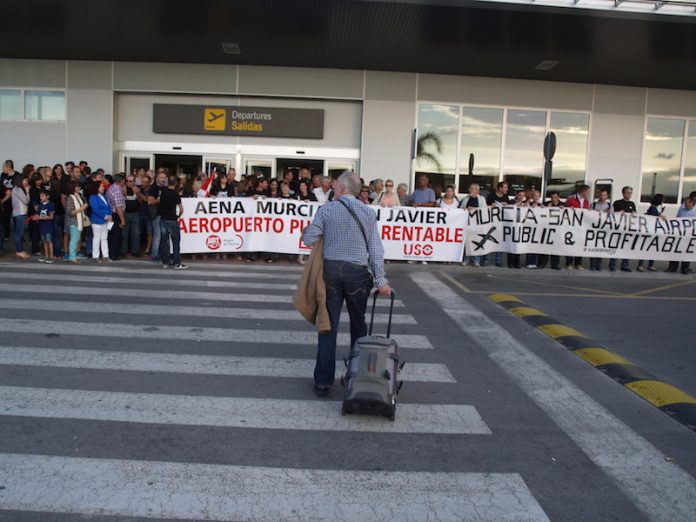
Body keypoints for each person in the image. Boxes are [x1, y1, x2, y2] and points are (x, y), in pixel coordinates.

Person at [301, 170, 391, 397]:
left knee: (327, 326)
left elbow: (309, 239)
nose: (332, 189)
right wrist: (381, 281)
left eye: (334, 186)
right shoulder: (368, 213)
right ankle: (357, 376)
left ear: (341, 188)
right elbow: (375, 252)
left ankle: (323, 382)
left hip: (331, 273)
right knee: (358, 326)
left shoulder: (327, 210)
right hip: (358, 275)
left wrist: (306, 231)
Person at [158, 176, 188, 270]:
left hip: (163, 219)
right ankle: (177, 263)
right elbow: (181, 209)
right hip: (172, 219)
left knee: (164, 241)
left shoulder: (163, 192)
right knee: (175, 242)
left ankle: (165, 262)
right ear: (175, 184)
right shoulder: (175, 194)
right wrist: (178, 216)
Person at [609, 186, 637, 272]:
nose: (629, 194)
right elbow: (611, 214)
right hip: (618, 229)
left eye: (630, 193)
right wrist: (618, 213)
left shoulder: (632, 204)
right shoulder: (617, 203)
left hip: (628, 229)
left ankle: (625, 265)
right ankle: (612, 265)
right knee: (615, 246)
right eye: (627, 192)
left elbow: (635, 214)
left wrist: (634, 213)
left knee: (626, 247)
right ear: (623, 193)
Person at [460, 183, 488, 267]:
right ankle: (466, 259)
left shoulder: (482, 199)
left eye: (475, 189)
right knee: (467, 242)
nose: (473, 190)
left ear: (478, 191)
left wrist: (474, 209)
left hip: (477, 223)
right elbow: (461, 208)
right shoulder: (466, 198)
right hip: (467, 223)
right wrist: (465, 209)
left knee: (476, 242)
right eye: (471, 188)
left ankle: (476, 260)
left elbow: (484, 209)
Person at [667, 196, 696, 275]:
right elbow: (677, 219)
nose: (685, 204)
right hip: (680, 233)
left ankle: (685, 268)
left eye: (687, 203)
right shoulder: (682, 209)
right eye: (685, 203)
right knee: (676, 250)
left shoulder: (695, 211)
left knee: (687, 252)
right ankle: (673, 267)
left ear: (692, 204)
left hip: (690, 234)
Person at [565, 184, 590, 270]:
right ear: (583, 191)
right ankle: (569, 263)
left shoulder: (586, 201)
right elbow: (564, 209)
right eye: (587, 191)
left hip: (581, 226)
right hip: (571, 225)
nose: (588, 193)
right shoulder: (571, 199)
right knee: (570, 244)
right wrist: (569, 208)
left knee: (579, 244)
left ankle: (578, 263)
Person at [637, 194, 664, 273]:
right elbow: (653, 217)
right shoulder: (653, 208)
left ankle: (647, 265)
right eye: (662, 200)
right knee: (647, 248)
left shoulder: (653, 208)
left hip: (652, 232)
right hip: (650, 232)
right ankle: (642, 265)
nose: (663, 202)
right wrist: (660, 215)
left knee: (651, 249)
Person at [64, 180, 88, 264]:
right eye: (77, 186)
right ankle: (72, 256)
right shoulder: (70, 198)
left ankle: (73, 256)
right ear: (73, 188)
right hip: (74, 222)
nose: (79, 188)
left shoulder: (77, 196)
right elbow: (70, 212)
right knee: (74, 239)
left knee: (76, 239)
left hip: (78, 221)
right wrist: (82, 208)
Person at [88, 181, 113, 263]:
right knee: (96, 238)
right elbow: (95, 209)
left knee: (104, 238)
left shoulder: (104, 196)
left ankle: (105, 256)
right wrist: (106, 216)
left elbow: (109, 207)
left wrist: (110, 215)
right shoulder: (93, 197)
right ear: (97, 188)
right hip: (97, 220)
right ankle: (95, 256)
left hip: (105, 220)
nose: (103, 188)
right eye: (101, 186)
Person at [147, 169, 168, 263]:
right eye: (161, 178)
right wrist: (161, 200)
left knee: (164, 236)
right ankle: (154, 255)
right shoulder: (153, 188)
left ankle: (162, 254)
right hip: (157, 215)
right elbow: (150, 201)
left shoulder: (166, 188)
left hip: (164, 214)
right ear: (157, 179)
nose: (163, 179)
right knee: (157, 236)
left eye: (164, 177)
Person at [589, 189, 612, 271]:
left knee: (600, 247)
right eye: (601, 195)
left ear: (607, 196)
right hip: (594, 229)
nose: (602, 197)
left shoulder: (610, 205)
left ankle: (599, 265)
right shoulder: (593, 205)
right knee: (592, 247)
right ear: (599, 195)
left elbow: (613, 217)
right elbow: (589, 215)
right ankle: (592, 265)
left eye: (604, 195)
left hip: (604, 230)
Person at [106, 174, 126, 260]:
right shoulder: (117, 190)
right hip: (116, 215)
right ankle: (113, 254)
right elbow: (118, 207)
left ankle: (112, 253)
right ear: (121, 181)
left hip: (111, 214)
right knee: (116, 236)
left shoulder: (111, 188)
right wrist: (122, 220)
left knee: (112, 235)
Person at [11, 174, 30, 260]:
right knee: (19, 233)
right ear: (20, 181)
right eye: (25, 180)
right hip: (20, 214)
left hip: (19, 213)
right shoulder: (18, 189)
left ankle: (21, 250)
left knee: (19, 233)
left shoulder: (16, 189)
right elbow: (26, 201)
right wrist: (27, 191)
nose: (26, 182)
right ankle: (19, 251)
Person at [544, 191, 565, 270]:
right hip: (547, 228)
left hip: (558, 229)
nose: (553, 199)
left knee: (556, 247)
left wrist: (565, 209)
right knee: (545, 247)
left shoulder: (563, 205)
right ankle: (543, 263)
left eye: (555, 197)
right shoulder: (546, 203)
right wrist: (546, 208)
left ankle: (555, 264)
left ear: (558, 197)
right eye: (552, 197)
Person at [1, 160, 18, 248]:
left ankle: (18, 236)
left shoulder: (17, 175)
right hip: (5, 200)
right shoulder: (3, 175)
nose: (2, 169)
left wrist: (10, 192)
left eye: (4, 167)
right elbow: (2, 186)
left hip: (15, 200)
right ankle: (6, 235)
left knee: (16, 219)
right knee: (5, 218)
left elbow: (17, 188)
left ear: (9, 167)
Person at [36, 190, 55, 263]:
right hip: (42, 225)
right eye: (40, 196)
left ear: (47, 196)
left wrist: (40, 218)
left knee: (49, 241)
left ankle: (51, 256)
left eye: (42, 196)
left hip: (48, 226)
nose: (41, 197)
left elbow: (51, 216)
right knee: (44, 241)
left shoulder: (51, 204)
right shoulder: (40, 204)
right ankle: (46, 255)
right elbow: (38, 214)